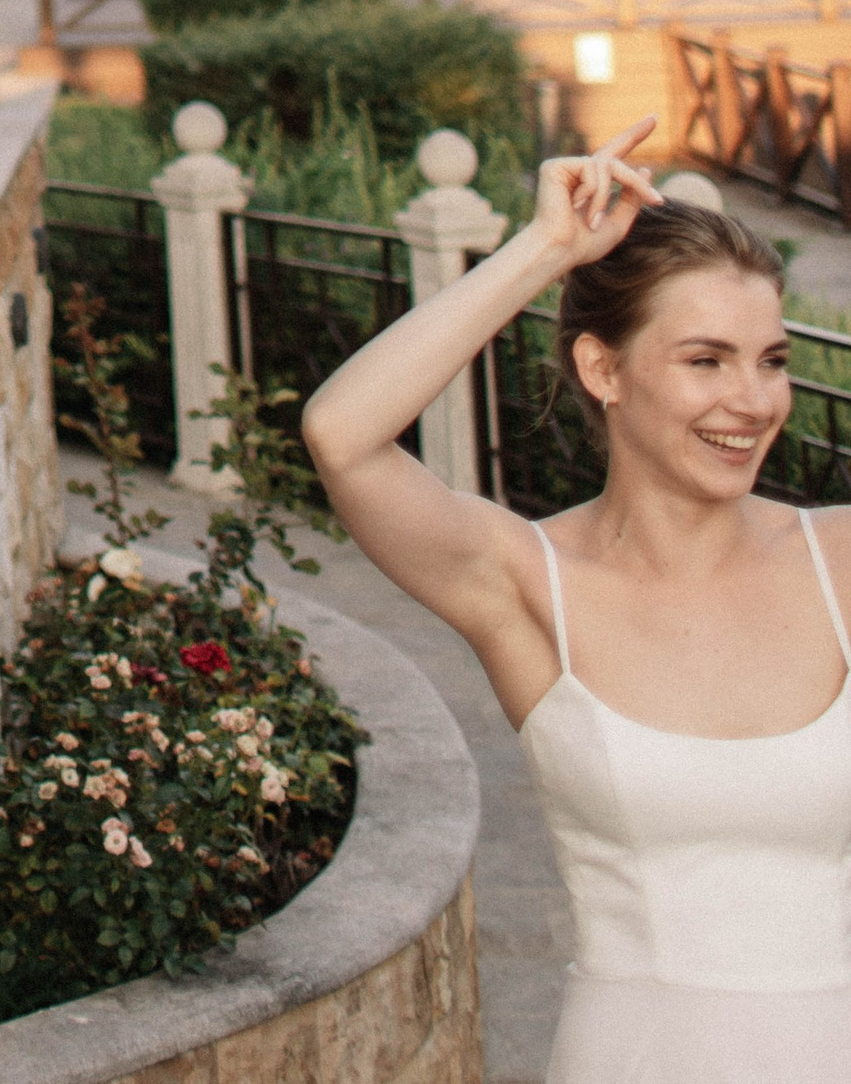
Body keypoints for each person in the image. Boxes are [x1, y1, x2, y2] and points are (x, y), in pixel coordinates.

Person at [303, 115, 851, 1083]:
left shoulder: (838, 559)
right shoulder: (523, 578)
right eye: (704, 358)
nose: (753, 399)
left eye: (770, 358)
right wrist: (546, 246)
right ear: (603, 368)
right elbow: (343, 432)